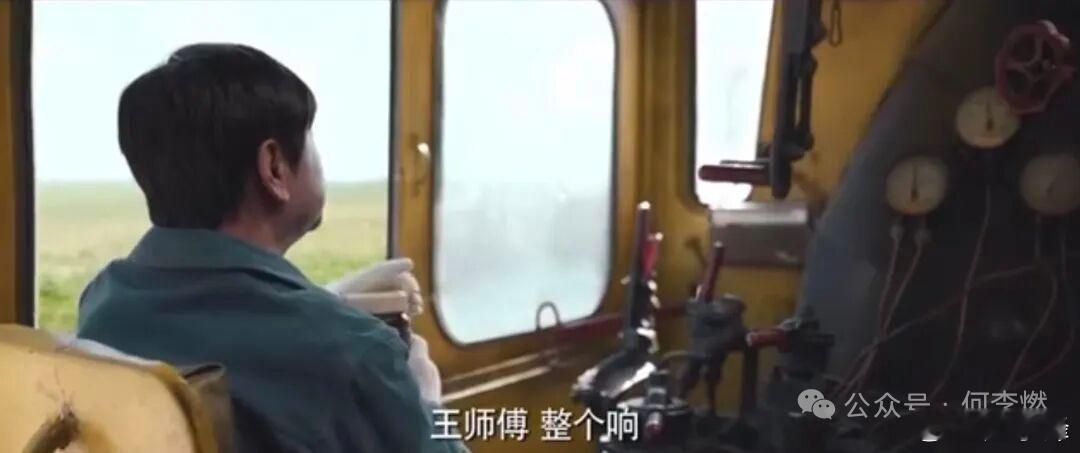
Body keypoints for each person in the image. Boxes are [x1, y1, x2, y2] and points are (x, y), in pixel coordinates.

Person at [77, 43, 461, 453]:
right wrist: (426, 398)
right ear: (274, 167)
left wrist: (326, 303)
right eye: (311, 138)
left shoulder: (103, 302)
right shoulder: (353, 353)